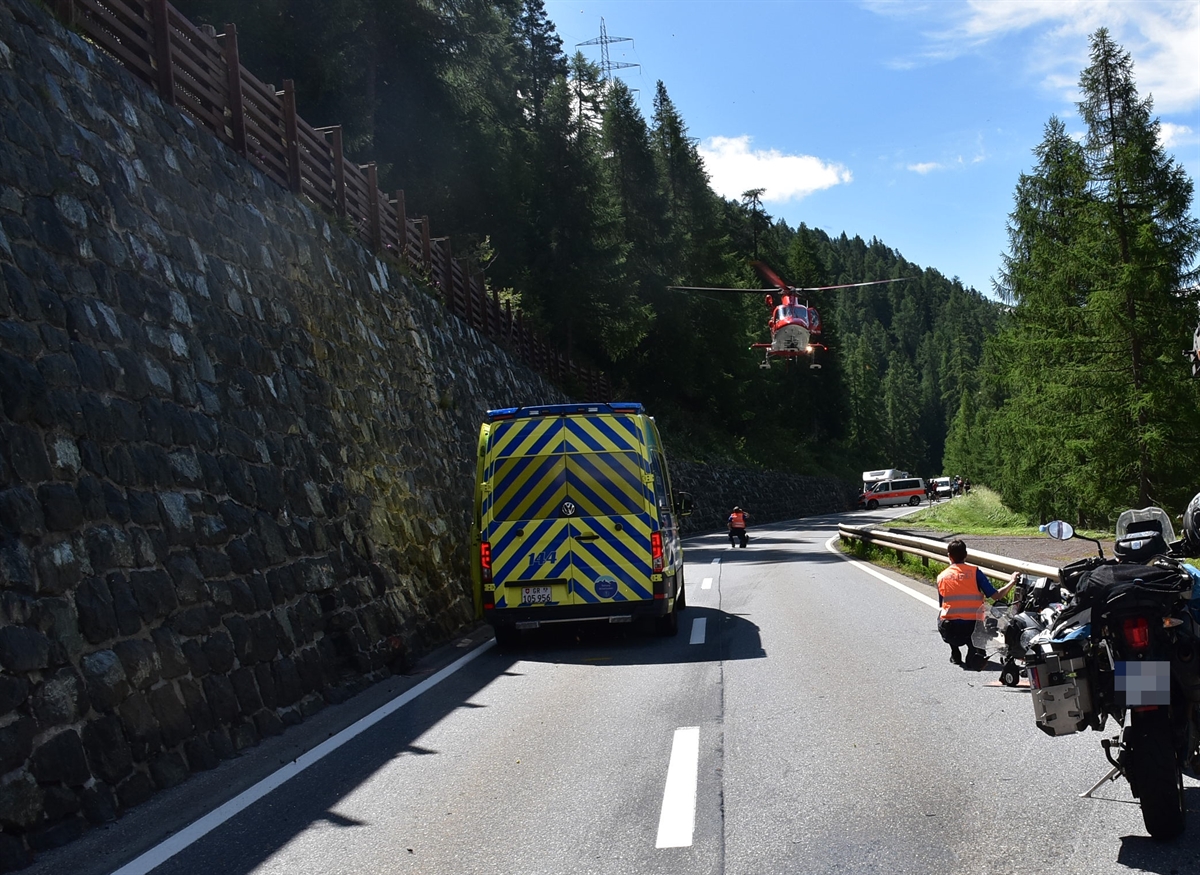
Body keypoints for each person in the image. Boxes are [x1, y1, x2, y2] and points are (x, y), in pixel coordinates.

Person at [936, 538, 1017, 670]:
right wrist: (1012, 581)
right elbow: (996, 595)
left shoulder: (941, 576)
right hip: (972, 628)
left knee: (942, 614)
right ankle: (973, 648)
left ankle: (955, 651)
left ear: (949, 556)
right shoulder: (975, 572)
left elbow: (942, 603)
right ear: (966, 555)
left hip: (950, 630)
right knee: (980, 619)